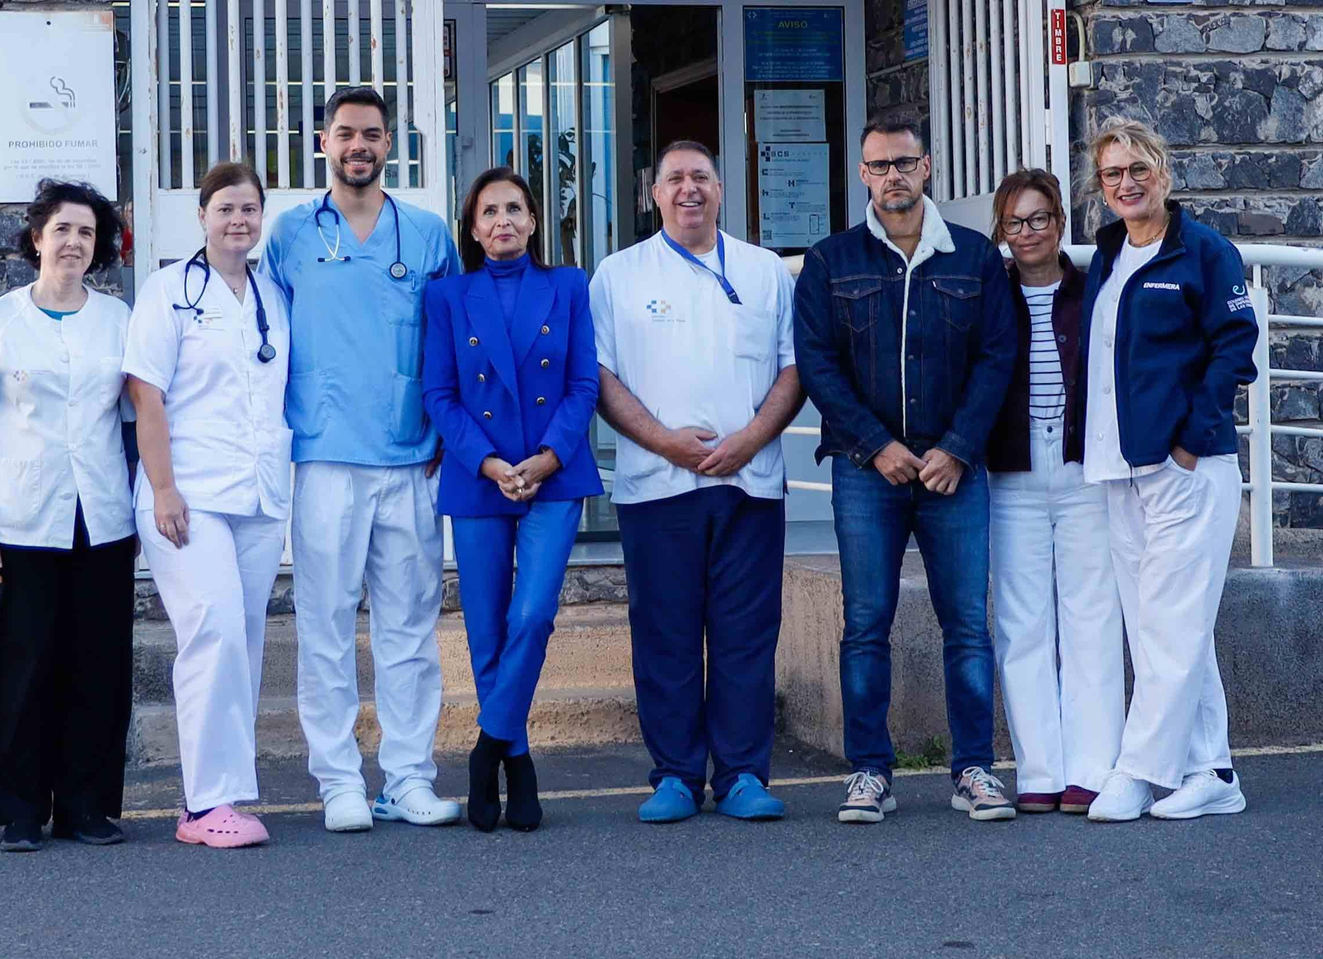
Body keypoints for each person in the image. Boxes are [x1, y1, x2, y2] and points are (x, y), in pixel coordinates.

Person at [793, 111, 1019, 827]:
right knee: (865, 623)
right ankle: (870, 773)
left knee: (968, 626)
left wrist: (956, 447)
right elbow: (818, 365)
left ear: (928, 168)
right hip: (868, 471)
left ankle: (973, 769)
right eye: (880, 165)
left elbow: (996, 359)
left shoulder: (977, 259)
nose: (893, 175)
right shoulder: (832, 262)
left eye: (905, 163)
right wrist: (875, 446)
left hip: (955, 469)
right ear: (862, 174)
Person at [263, 87, 463, 832]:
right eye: (346, 133)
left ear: (390, 145)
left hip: (411, 461)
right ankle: (338, 779)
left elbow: (450, 341)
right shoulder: (287, 235)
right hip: (324, 459)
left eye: (372, 135)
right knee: (324, 625)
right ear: (324, 142)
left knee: (410, 629)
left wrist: (451, 431)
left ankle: (407, 778)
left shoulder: (427, 235)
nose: (359, 146)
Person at [589, 141, 803, 825]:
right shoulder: (618, 275)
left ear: (721, 189)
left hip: (750, 484)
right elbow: (599, 377)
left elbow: (794, 370)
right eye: (675, 178)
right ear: (654, 193)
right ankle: (676, 773)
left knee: (745, 635)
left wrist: (748, 440)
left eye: (701, 177)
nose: (689, 189)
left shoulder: (766, 272)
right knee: (665, 635)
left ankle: (741, 772)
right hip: (657, 487)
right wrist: (664, 442)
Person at [0, 179, 135, 853]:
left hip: (100, 517)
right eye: (63, 229)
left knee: (96, 665)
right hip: (18, 518)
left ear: (99, 245)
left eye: (87, 232)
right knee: (18, 667)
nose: (74, 242)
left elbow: (136, 424)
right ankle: (16, 808)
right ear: (38, 238)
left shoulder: (118, 321)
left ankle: (86, 804)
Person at [1080, 118, 1258, 824]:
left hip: (1188, 466)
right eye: (1112, 175)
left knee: (1174, 626)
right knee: (1161, 627)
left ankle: (1137, 771)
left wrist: (1188, 442)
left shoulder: (1206, 253)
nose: (1126, 184)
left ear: (1164, 173)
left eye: (1137, 170)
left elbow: (1236, 348)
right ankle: (1212, 771)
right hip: (1118, 468)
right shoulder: (1109, 254)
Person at [424, 168, 603, 832]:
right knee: (486, 627)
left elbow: (584, 383)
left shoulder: (569, 286)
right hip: (480, 477)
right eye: (489, 212)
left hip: (555, 473)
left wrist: (548, 456)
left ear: (534, 221)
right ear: (472, 229)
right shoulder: (447, 297)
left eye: (515, 209)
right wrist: (493, 463)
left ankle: (487, 748)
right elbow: (438, 395)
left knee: (532, 617)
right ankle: (518, 758)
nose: (503, 221)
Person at [125, 160, 291, 849]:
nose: (239, 220)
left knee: (244, 640)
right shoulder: (169, 290)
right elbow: (144, 391)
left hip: (256, 490)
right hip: (187, 494)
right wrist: (162, 486)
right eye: (225, 208)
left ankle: (227, 792)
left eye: (250, 209)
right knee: (214, 631)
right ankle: (202, 804)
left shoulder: (273, 294)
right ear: (202, 216)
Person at [985, 166, 1123, 816]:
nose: (1028, 231)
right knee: (1022, 626)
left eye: (1039, 218)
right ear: (1001, 231)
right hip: (1011, 474)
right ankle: (1038, 770)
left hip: (1082, 472)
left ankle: (1092, 770)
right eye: (1015, 222)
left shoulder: (1093, 288)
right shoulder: (990, 293)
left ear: (1060, 224)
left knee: (1091, 620)